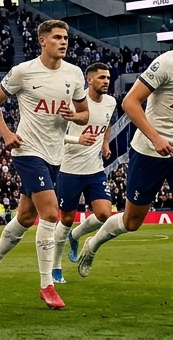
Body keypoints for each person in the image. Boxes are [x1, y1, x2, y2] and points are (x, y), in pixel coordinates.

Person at [76, 12, 173, 314]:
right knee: (132, 222)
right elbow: (130, 102)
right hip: (147, 151)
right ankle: (93, 244)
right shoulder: (168, 63)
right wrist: (155, 138)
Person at [0, 20, 88, 309]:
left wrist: (74, 117)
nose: (63, 42)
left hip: (55, 154)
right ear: (42, 41)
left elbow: (84, 113)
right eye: (57, 37)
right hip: (27, 150)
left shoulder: (74, 74)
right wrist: (6, 134)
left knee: (26, 218)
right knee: (50, 213)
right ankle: (46, 285)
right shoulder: (24, 71)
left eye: (65, 37)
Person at [57, 63, 117, 278]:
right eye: (101, 77)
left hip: (95, 170)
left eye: (108, 77)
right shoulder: (74, 102)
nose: (106, 81)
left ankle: (76, 236)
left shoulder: (110, 102)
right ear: (89, 80)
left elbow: (107, 124)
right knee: (66, 219)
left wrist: (105, 143)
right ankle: (56, 267)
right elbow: (55, 134)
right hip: (69, 169)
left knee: (104, 214)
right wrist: (78, 139)